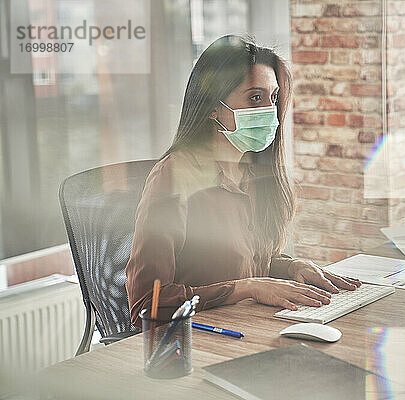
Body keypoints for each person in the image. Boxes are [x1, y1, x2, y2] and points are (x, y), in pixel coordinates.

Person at [126, 35, 360, 327]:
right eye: (255, 97)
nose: (269, 111)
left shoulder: (254, 175)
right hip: (196, 345)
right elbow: (148, 306)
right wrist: (246, 288)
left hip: (252, 329)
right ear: (213, 106)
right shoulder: (173, 178)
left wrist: (291, 267)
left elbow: (240, 264)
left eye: (273, 98)